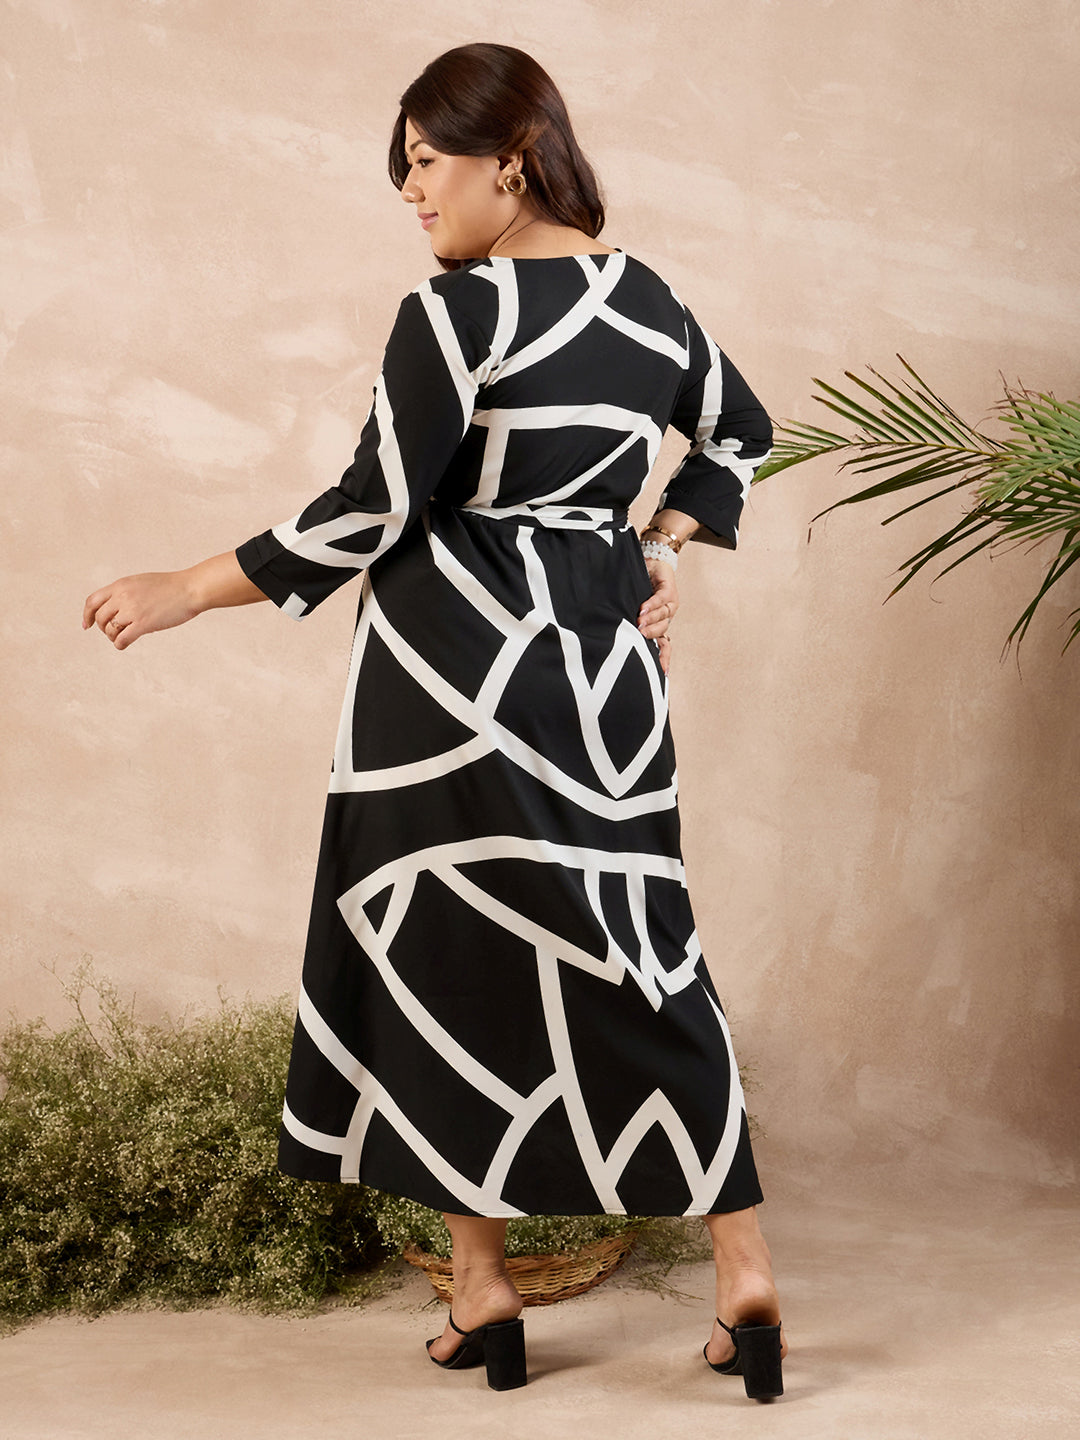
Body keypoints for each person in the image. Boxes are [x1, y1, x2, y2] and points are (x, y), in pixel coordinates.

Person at [83, 42, 786, 1401]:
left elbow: (373, 504)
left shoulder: (454, 314)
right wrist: (663, 544)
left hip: (449, 678)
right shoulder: (653, 303)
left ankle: (484, 1286)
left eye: (425, 161)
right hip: (602, 676)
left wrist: (188, 588)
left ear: (512, 158)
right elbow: (740, 432)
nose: (410, 192)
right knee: (640, 941)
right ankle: (745, 1269)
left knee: (446, 950)